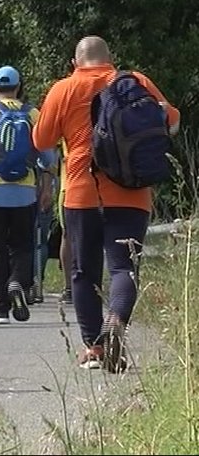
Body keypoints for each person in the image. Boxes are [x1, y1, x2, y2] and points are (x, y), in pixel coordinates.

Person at [33, 36, 180, 371]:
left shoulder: (64, 89)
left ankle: (95, 348)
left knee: (84, 272)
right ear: (110, 59)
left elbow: (41, 140)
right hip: (132, 192)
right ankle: (116, 318)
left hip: (82, 192)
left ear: (75, 62)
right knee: (123, 268)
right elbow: (172, 122)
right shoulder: (135, 82)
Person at [0, 65, 55, 325]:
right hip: (25, 192)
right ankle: (18, 282)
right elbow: (48, 157)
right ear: (19, 86)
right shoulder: (35, 115)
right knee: (23, 245)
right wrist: (46, 187)